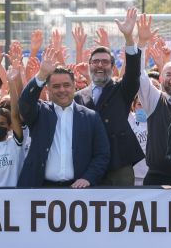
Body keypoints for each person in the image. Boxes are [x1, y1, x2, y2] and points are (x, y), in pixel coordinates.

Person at [17, 47, 110, 188]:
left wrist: (88, 178)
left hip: (77, 190)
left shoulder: (91, 117)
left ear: (74, 86)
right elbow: (25, 103)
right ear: (47, 89)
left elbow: (102, 154)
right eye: (56, 86)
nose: (62, 90)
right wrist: (41, 75)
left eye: (66, 85)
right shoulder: (40, 112)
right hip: (40, 188)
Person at [73, 8, 143, 186]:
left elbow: (133, 72)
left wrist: (128, 37)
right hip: (88, 165)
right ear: (89, 65)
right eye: (95, 61)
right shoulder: (78, 97)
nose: (100, 65)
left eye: (105, 62)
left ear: (112, 66)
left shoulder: (122, 90)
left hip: (118, 165)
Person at [136, 21, 171, 186]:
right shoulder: (154, 100)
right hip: (157, 178)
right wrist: (142, 43)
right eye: (168, 74)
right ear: (161, 78)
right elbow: (139, 74)